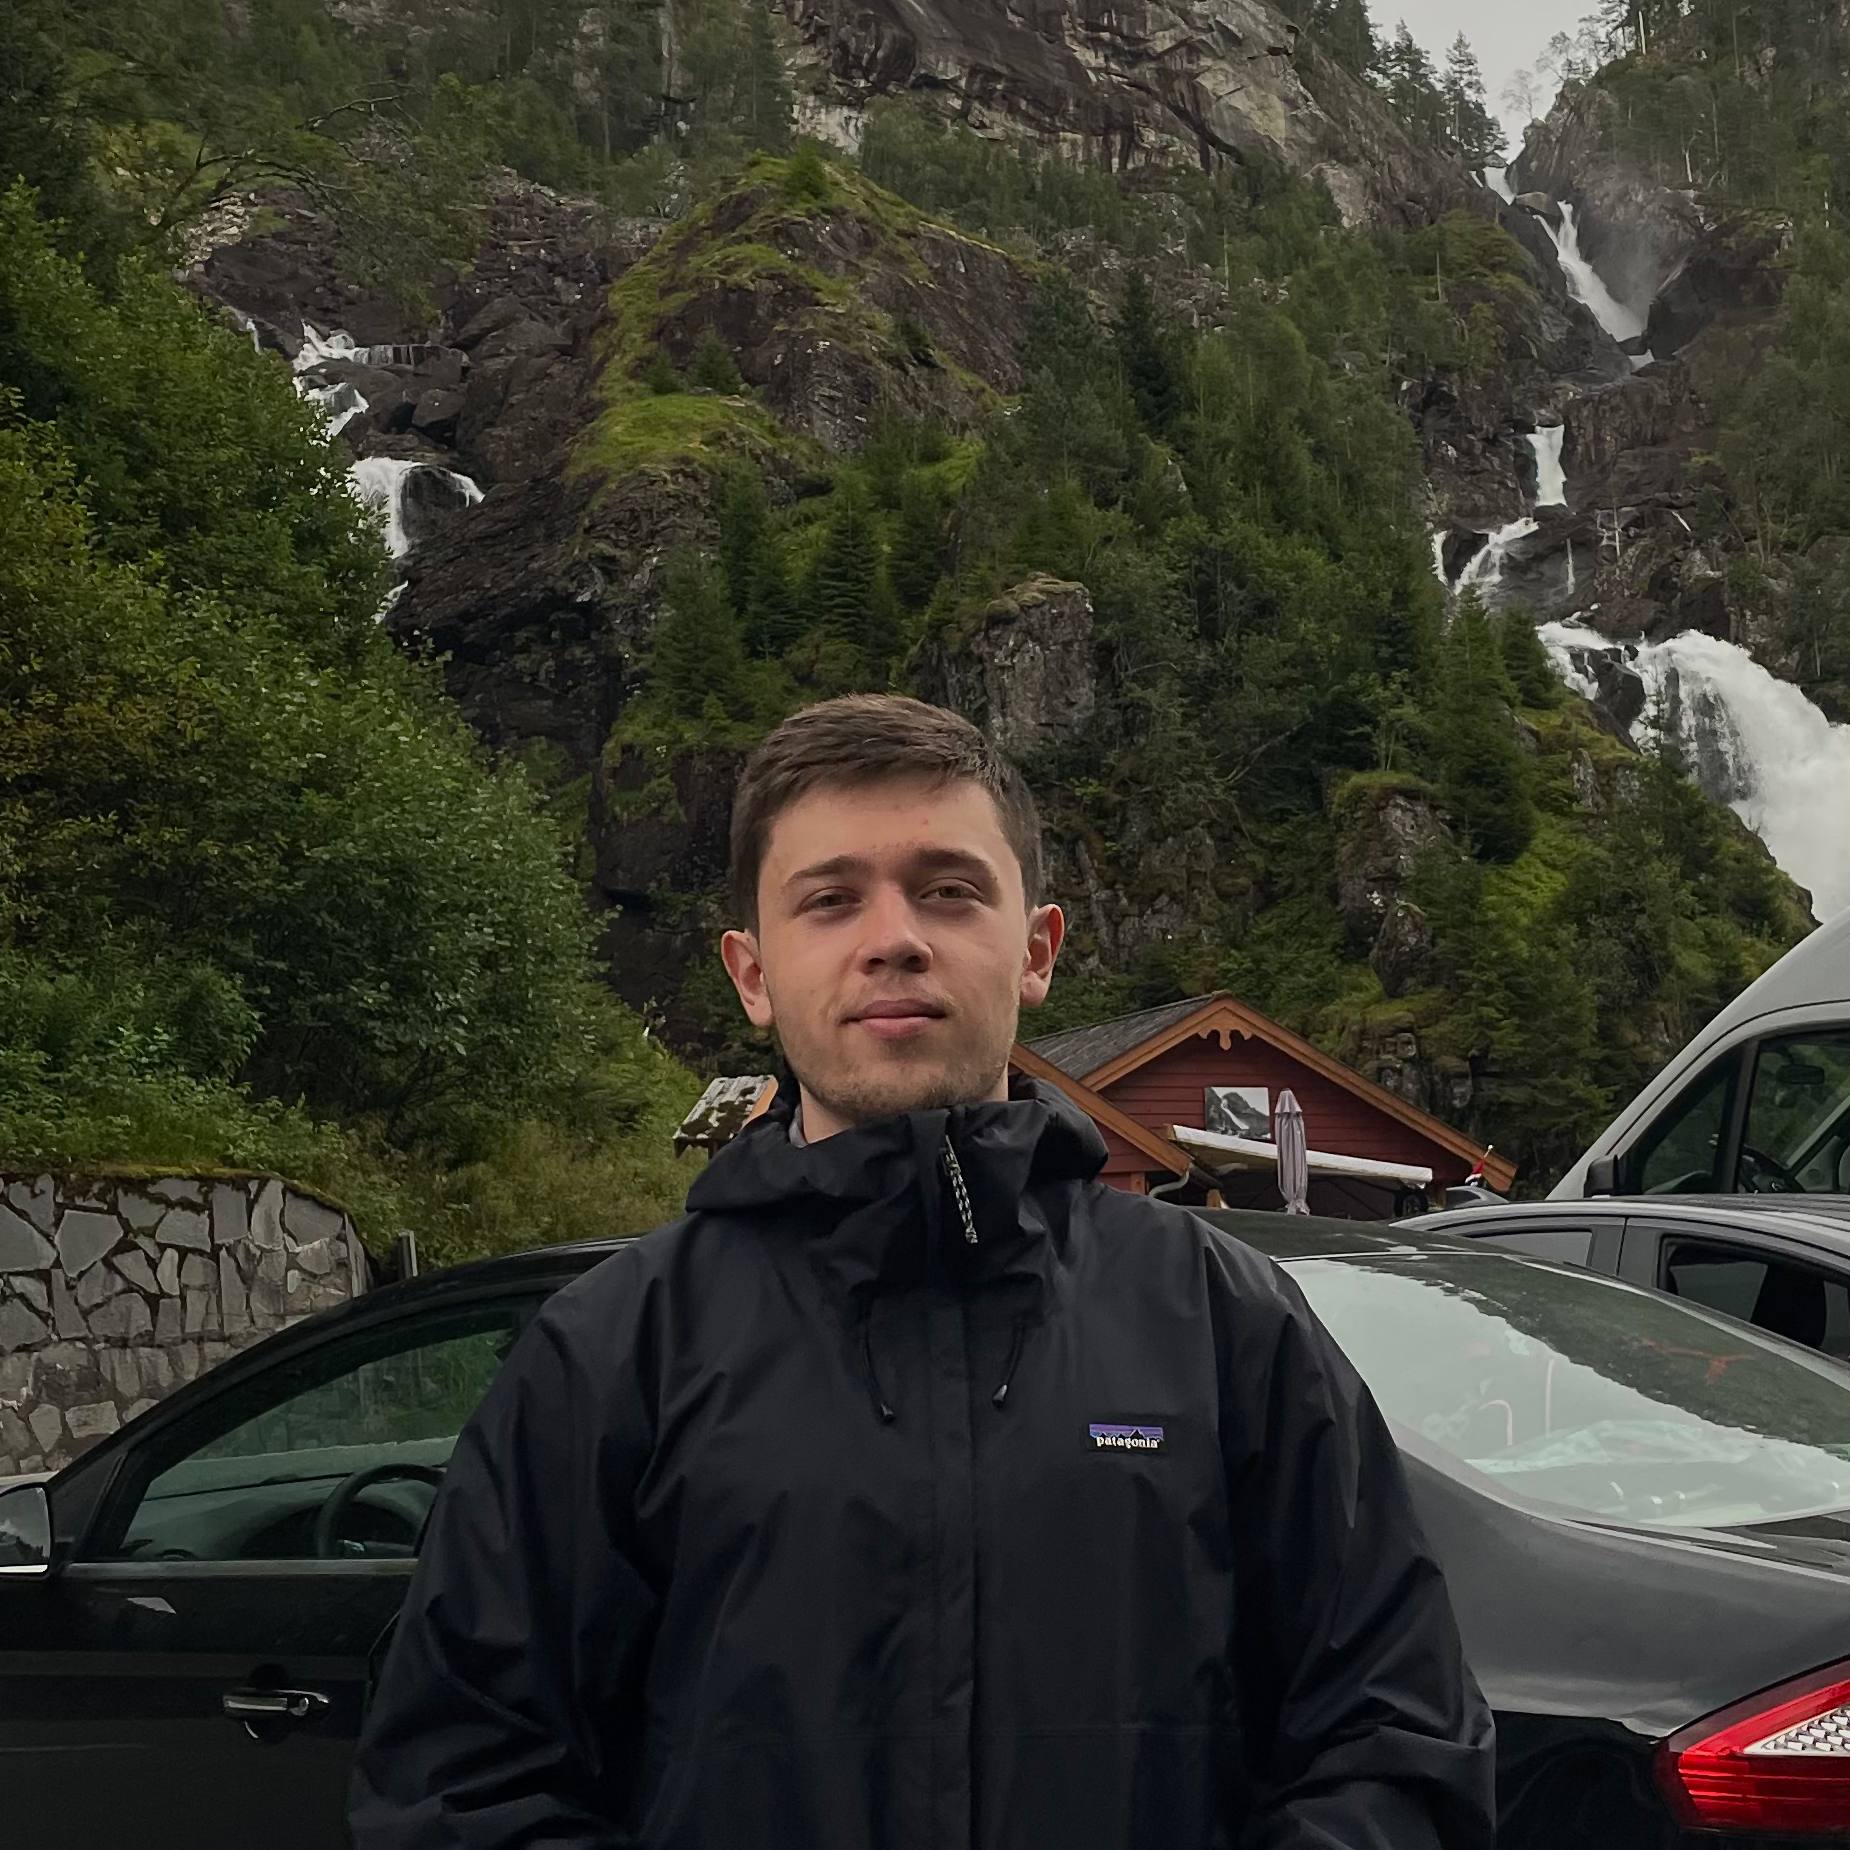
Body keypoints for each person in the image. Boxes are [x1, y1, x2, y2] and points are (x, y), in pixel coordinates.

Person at [350, 694, 1496, 1849]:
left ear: (1034, 949)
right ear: (751, 973)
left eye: (947, 889)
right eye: (829, 898)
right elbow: (459, 1785)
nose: (892, 936)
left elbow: (1395, 1740)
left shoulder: (1221, 1323)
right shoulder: (609, 1355)